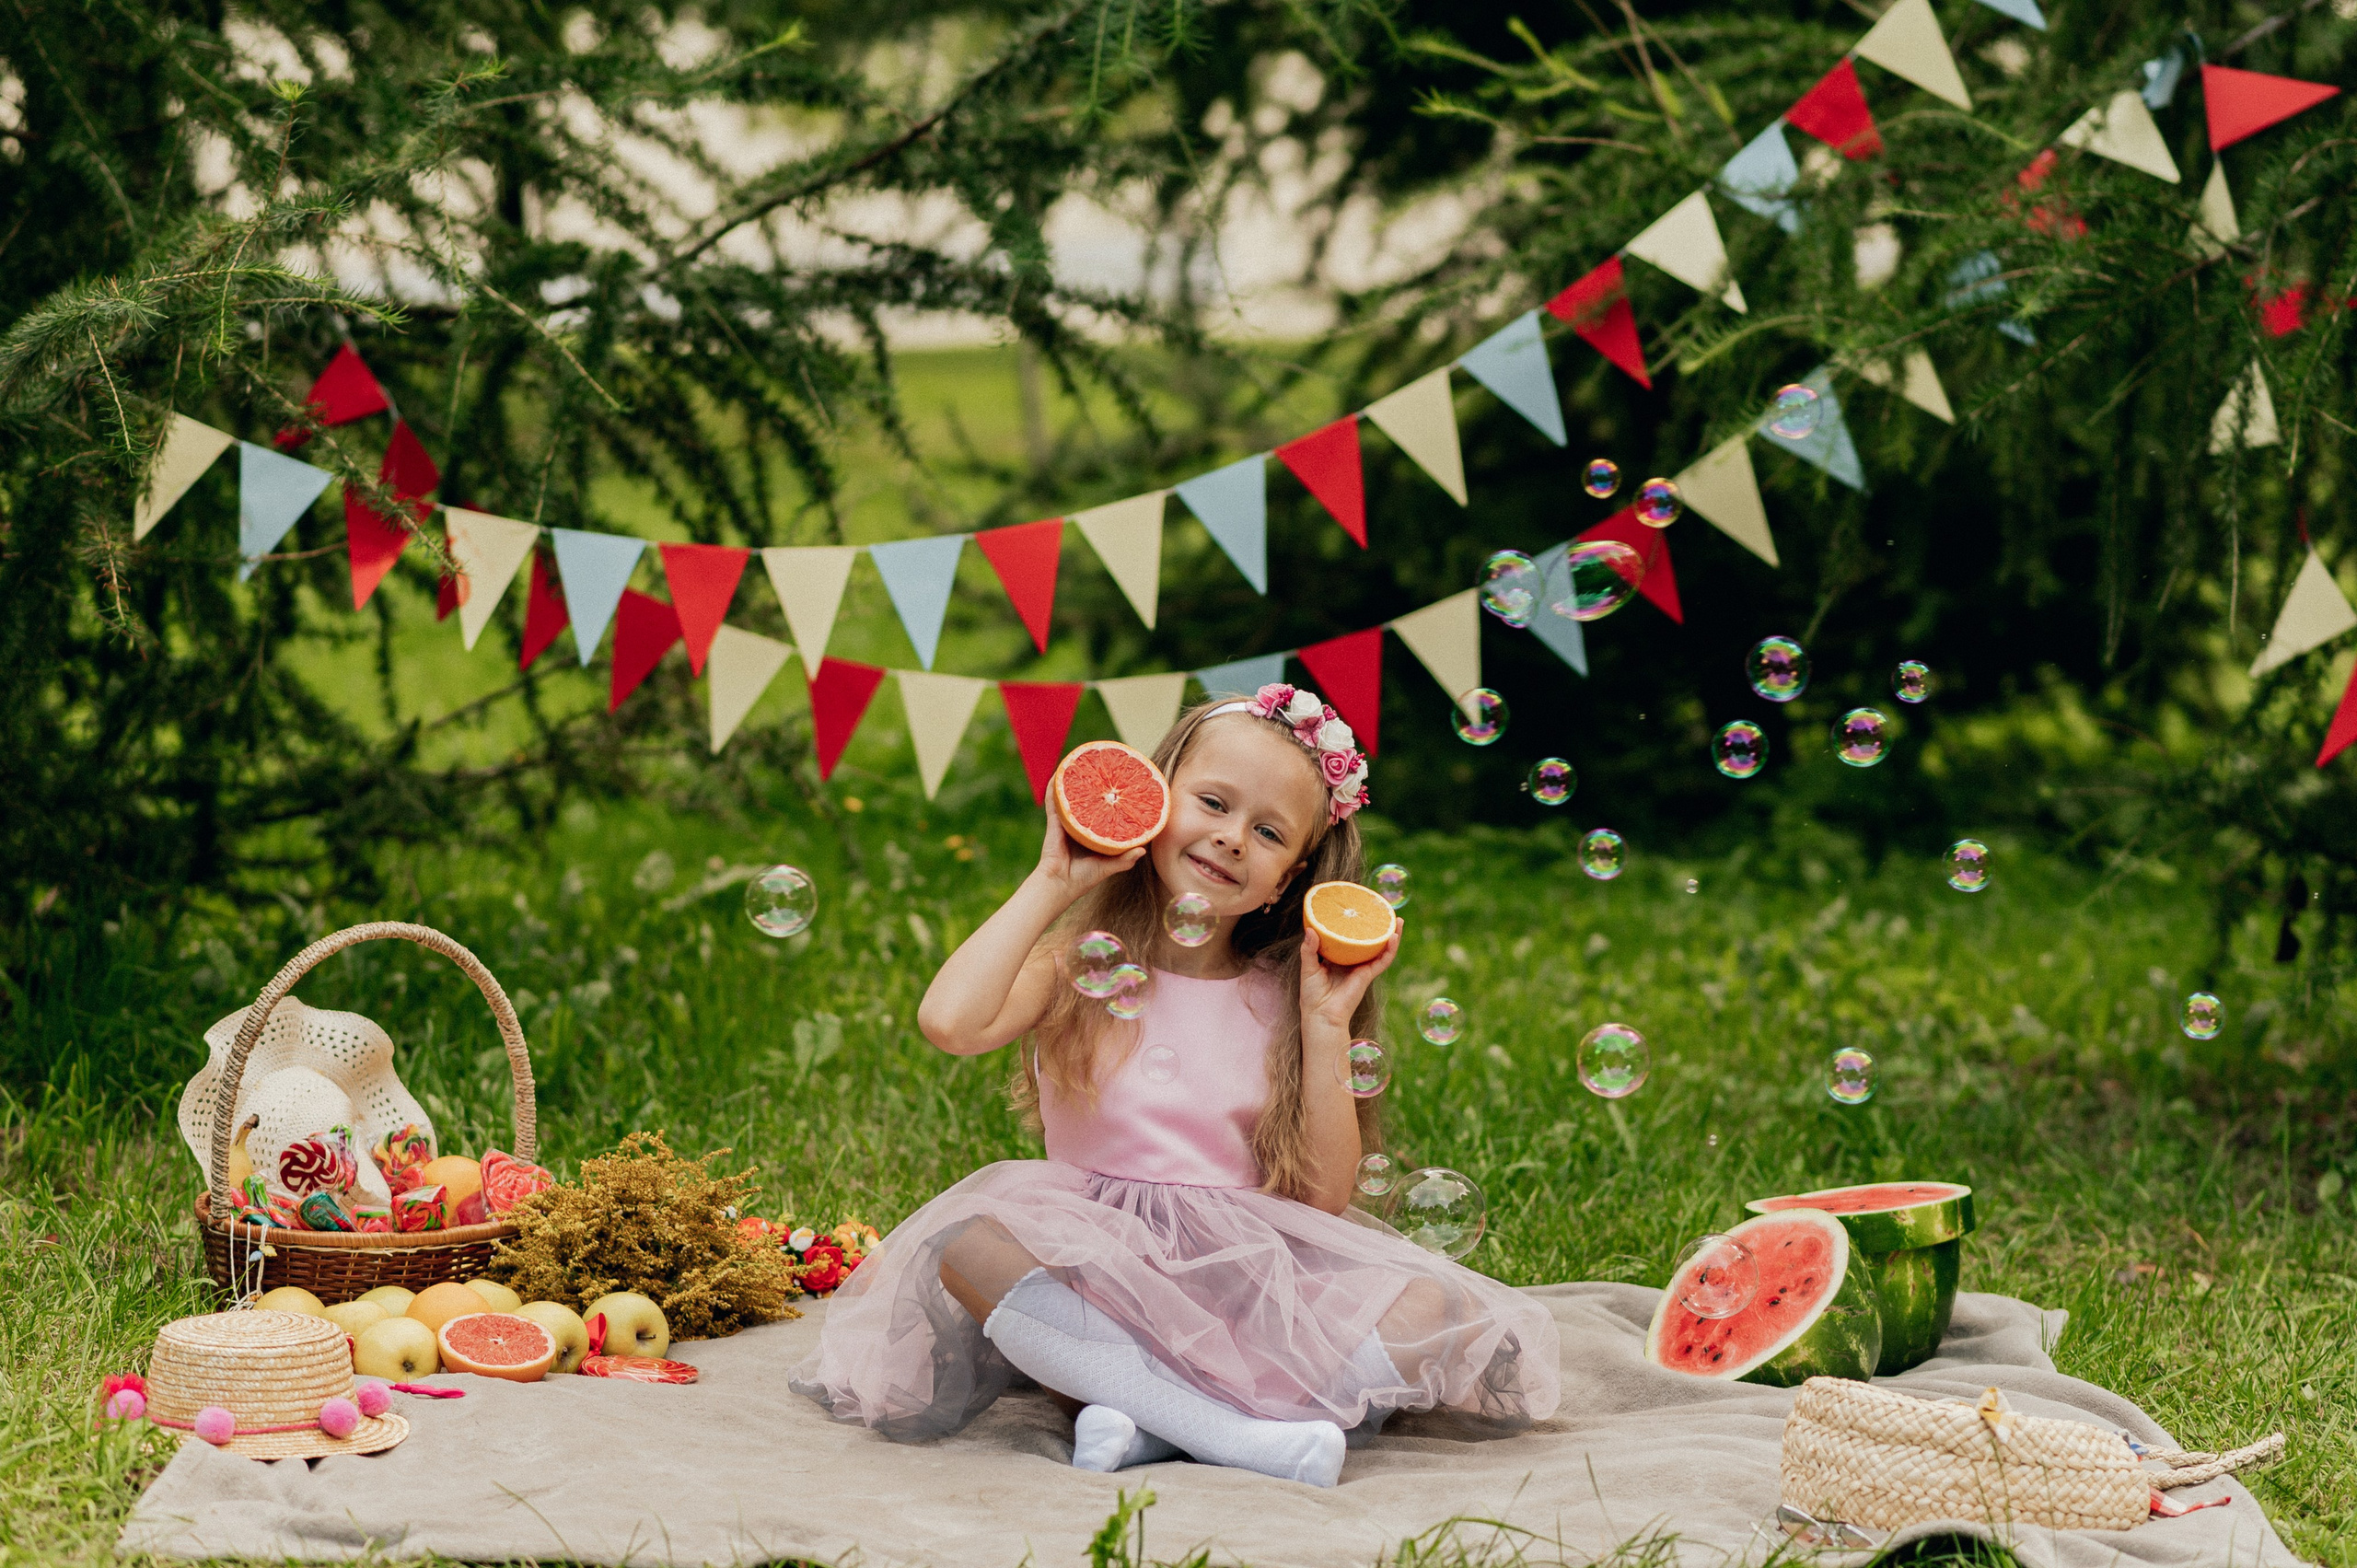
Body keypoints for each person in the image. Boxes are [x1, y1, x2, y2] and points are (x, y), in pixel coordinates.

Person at [790, 684, 1560, 1486]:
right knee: (967, 1245)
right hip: (1097, 1269)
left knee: (1430, 1305)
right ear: (1155, 800)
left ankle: (1153, 1421)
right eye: (1213, 803)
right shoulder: (1074, 962)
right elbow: (950, 1021)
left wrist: (1328, 1022)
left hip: (1250, 1281)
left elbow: (1327, 1194)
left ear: (1285, 881)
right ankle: (1235, 1431)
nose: (1231, 838)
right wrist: (1055, 878)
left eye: (1266, 832)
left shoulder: (1289, 999)